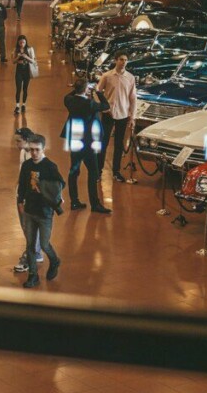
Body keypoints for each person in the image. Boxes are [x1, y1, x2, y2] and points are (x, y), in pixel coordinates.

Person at [16, 134, 64, 288]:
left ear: (43, 149)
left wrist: (56, 195)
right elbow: (22, 185)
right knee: (30, 245)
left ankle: (54, 260)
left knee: (44, 244)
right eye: (31, 150)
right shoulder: (26, 165)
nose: (34, 153)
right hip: (29, 210)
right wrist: (19, 202)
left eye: (37, 150)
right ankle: (33, 275)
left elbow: (60, 183)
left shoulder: (50, 166)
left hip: (45, 213)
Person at [62, 78, 112, 214]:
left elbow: (69, 95)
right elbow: (106, 105)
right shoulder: (90, 104)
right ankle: (95, 204)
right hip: (88, 143)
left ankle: (74, 201)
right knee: (93, 172)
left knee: (74, 171)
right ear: (85, 89)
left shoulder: (69, 101)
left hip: (75, 141)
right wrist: (97, 91)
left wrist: (78, 88)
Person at [96, 51, 137, 182]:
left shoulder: (130, 78)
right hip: (109, 114)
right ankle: (98, 171)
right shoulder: (107, 76)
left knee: (119, 145)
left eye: (125, 60)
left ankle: (116, 172)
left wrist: (132, 117)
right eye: (121, 59)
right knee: (103, 143)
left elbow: (133, 98)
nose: (123, 62)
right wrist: (102, 107)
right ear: (115, 60)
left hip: (123, 115)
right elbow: (97, 92)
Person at [12, 127, 42, 273]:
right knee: (26, 226)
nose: (16, 144)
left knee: (29, 226)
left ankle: (33, 254)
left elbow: (34, 182)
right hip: (21, 194)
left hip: (28, 198)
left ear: (27, 140)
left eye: (19, 141)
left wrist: (24, 199)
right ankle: (35, 251)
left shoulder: (33, 157)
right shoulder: (23, 152)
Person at [12, 35, 36, 115]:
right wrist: (18, 57)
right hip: (19, 71)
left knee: (25, 88)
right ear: (18, 43)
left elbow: (33, 60)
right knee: (18, 88)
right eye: (20, 42)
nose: (22, 44)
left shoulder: (29, 49)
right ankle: (17, 105)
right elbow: (13, 61)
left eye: (23, 42)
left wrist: (26, 57)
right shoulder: (16, 50)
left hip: (26, 70)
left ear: (26, 42)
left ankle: (24, 104)